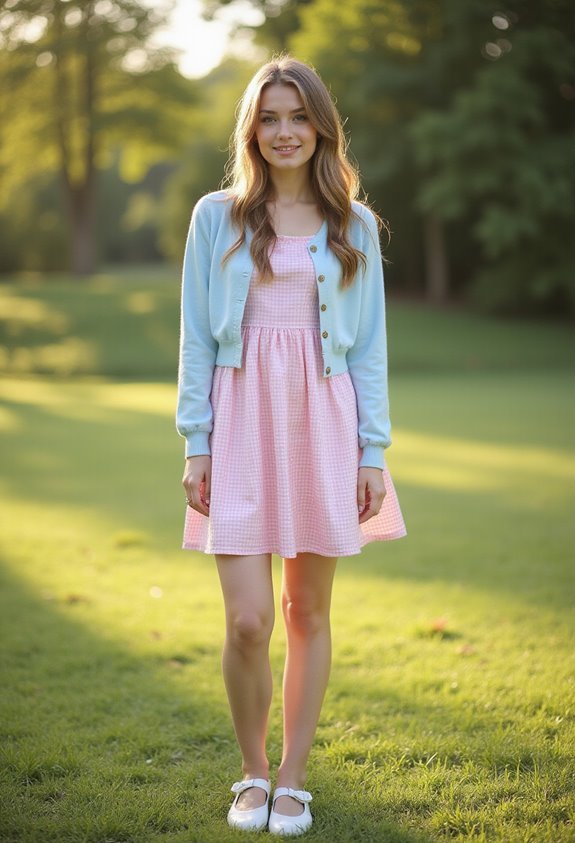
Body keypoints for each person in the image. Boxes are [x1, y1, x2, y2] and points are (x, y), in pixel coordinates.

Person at [176, 55, 407, 837]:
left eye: (297, 116)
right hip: (238, 419)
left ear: (320, 127)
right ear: (252, 129)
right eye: (269, 117)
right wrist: (194, 441)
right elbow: (194, 340)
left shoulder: (354, 227)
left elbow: (369, 347)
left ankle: (293, 779)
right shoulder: (217, 215)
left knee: (305, 610)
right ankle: (249, 772)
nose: (284, 132)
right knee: (247, 620)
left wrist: (372, 452)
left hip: (324, 423)